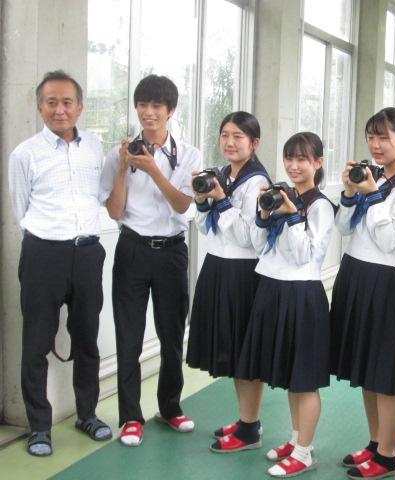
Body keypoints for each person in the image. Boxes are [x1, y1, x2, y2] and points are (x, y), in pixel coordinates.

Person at [8, 70, 112, 457]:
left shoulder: (95, 147)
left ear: (79, 107)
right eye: (51, 102)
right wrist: (47, 240)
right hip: (43, 255)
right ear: (40, 107)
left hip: (87, 253)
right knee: (36, 344)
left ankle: (87, 414)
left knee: (87, 339)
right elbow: (21, 208)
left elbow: (101, 195)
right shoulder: (24, 154)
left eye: (67, 102)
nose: (60, 109)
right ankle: (39, 427)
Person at [100, 74, 203, 446]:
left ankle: (170, 407)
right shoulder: (120, 153)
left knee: (172, 335)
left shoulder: (189, 155)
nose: (148, 112)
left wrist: (154, 170)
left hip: (172, 251)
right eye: (142, 105)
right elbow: (115, 211)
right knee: (128, 336)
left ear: (170, 110)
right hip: (132, 249)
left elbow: (184, 206)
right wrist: (124, 167)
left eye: (156, 106)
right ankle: (131, 417)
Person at [230, 132, 335, 478]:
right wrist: (265, 213)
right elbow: (261, 246)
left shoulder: (320, 206)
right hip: (272, 288)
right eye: (289, 158)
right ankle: (296, 439)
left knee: (304, 379)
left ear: (318, 163)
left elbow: (305, 254)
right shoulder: (283, 195)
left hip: (302, 294)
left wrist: (291, 216)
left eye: (302, 159)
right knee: (292, 376)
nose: (294, 165)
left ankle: (304, 452)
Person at [330, 107, 395, 479]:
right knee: (367, 371)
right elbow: (343, 227)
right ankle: (375, 444)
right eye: (371, 137)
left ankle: (389, 455)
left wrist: (372, 196)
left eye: (384, 137)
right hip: (354, 275)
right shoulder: (376, 177)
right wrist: (351, 192)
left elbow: (389, 240)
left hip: (385, 282)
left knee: (387, 376)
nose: (376, 145)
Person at [186, 111, 270, 447]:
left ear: (254, 143)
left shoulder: (257, 182)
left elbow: (249, 237)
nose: (230, 142)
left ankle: (249, 428)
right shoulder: (223, 175)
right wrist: (202, 201)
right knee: (233, 350)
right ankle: (246, 421)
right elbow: (205, 227)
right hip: (219, 266)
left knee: (244, 352)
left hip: (243, 272)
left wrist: (220, 201)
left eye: (238, 136)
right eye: (225, 135)